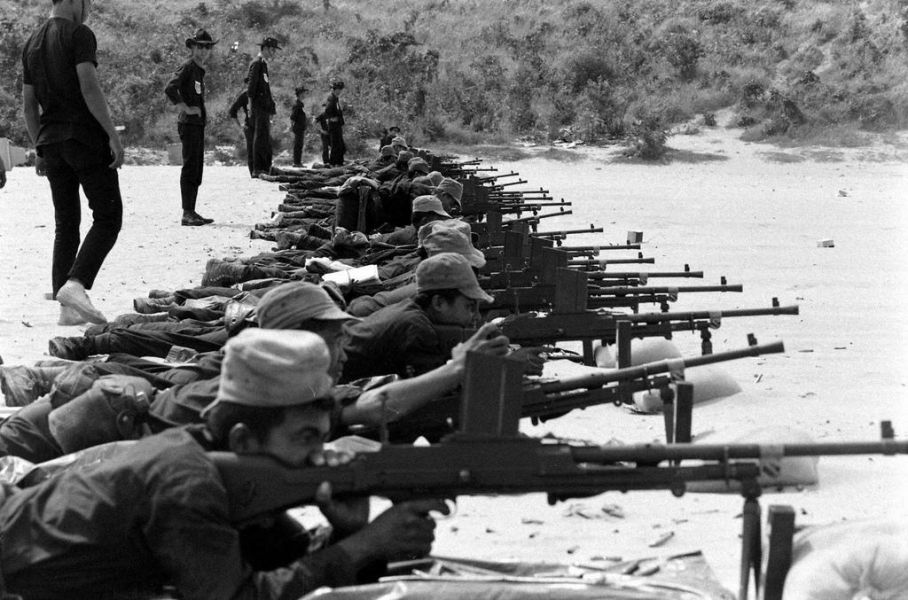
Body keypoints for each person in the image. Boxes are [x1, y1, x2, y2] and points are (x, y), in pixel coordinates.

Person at [0, 328, 450, 598]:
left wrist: (349, 530)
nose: (318, 453)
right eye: (305, 437)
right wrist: (364, 545)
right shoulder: (187, 480)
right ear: (241, 437)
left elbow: (277, 566)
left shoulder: (216, 469)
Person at [21, 0, 125, 326]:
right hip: (83, 138)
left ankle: (66, 309)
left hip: (51, 143)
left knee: (66, 224)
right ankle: (76, 284)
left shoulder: (31, 43)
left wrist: (39, 146)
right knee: (109, 216)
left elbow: (28, 106)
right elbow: (89, 87)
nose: (89, 8)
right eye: (88, 2)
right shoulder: (79, 34)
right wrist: (112, 135)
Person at [341, 252, 494, 382]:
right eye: (470, 307)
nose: (477, 316)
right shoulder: (416, 328)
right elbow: (430, 398)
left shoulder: (408, 310)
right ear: (439, 303)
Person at [164, 28, 217, 227]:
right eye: (200, 46)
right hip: (188, 123)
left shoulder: (197, 69)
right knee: (190, 167)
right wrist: (185, 107)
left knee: (196, 167)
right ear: (193, 47)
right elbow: (170, 87)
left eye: (207, 47)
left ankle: (192, 210)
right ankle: (187, 212)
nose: (204, 51)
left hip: (196, 124)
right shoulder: (188, 67)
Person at [247, 36, 281, 177]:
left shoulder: (263, 64)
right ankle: (257, 168)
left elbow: (265, 88)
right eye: (272, 49)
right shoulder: (257, 63)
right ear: (266, 48)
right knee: (259, 137)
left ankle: (265, 166)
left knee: (264, 137)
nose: (273, 53)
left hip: (264, 107)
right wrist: (250, 105)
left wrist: (271, 106)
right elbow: (251, 86)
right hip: (258, 106)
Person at [316, 79, 345, 166]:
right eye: (337, 89)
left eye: (340, 89)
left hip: (337, 125)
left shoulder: (336, 99)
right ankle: (333, 163)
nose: (339, 91)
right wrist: (331, 118)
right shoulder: (331, 98)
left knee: (341, 146)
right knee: (335, 145)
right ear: (334, 89)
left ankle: (339, 162)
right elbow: (327, 111)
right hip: (334, 126)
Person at [227, 86, 253, 176]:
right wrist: (240, 126)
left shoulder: (263, 92)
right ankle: (253, 172)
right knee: (251, 150)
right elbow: (232, 111)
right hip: (249, 126)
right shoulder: (245, 95)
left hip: (261, 127)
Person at [290, 85, 307, 167]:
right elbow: (292, 117)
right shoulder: (297, 104)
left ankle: (298, 161)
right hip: (298, 128)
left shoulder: (300, 104)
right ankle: (296, 162)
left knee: (299, 145)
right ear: (300, 94)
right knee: (298, 145)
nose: (305, 94)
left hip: (300, 127)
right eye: (304, 93)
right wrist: (292, 126)